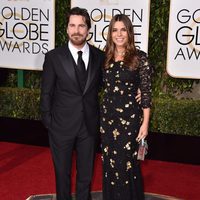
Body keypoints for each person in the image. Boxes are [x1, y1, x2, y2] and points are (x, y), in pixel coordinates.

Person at [40, 7, 105, 200]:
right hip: (60, 126)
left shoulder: (99, 56)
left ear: (88, 30)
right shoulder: (53, 57)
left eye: (81, 26)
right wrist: (49, 122)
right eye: (73, 25)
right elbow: (46, 92)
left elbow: (108, 85)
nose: (77, 30)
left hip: (89, 126)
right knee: (62, 175)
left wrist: (134, 89)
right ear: (67, 29)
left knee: (86, 176)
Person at [100, 14, 153, 200]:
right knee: (109, 166)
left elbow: (146, 94)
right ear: (110, 33)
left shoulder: (140, 58)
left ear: (129, 32)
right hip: (107, 121)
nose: (119, 34)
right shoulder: (105, 58)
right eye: (115, 30)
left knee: (127, 165)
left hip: (130, 122)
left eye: (123, 29)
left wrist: (145, 124)